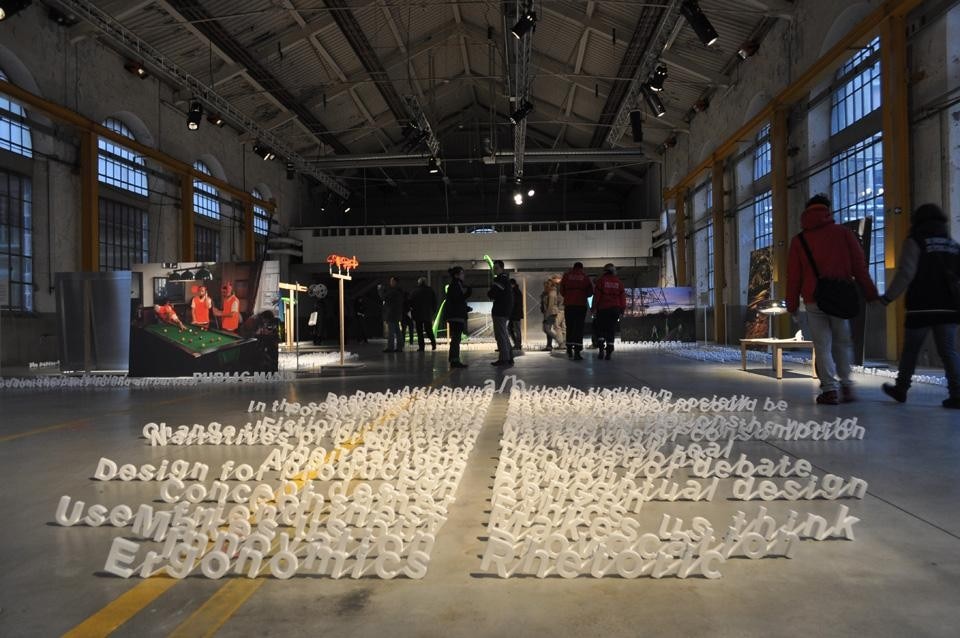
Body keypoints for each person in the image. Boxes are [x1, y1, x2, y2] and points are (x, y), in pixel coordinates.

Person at [786, 194, 880, 404]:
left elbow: (793, 276)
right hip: (839, 297)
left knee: (822, 346)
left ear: (806, 212)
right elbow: (859, 266)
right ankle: (846, 385)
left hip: (814, 299)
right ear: (828, 210)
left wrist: (791, 305)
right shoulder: (843, 234)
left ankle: (829, 390)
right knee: (842, 342)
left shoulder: (799, 240)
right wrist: (871, 293)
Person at [878, 204, 960, 409]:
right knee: (949, 352)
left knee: (911, 351)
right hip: (948, 307)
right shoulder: (953, 245)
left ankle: (901, 389)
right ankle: (957, 393)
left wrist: (888, 298)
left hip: (920, 307)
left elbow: (906, 273)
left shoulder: (915, 241)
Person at [560, 261, 593, 360]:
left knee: (569, 327)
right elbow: (590, 292)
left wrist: (568, 296)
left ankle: (569, 349)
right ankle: (577, 352)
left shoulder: (566, 276)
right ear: (581, 268)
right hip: (580, 305)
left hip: (569, 305)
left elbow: (562, 290)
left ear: (573, 267)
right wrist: (582, 295)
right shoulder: (585, 277)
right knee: (579, 328)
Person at [592, 263, 626, 359]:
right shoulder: (619, 282)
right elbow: (622, 298)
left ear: (605, 271)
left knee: (601, 330)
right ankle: (609, 352)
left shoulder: (601, 281)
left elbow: (597, 296)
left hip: (603, 309)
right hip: (615, 310)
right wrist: (622, 309)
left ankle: (601, 350)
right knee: (611, 330)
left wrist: (594, 308)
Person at [488, 260, 514, 366]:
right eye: (494, 268)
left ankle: (504, 359)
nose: (494, 270)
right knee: (504, 334)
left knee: (500, 335)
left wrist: (490, 292)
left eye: (496, 268)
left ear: (502, 268)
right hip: (504, 311)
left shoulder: (501, 280)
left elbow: (493, 293)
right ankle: (509, 357)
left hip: (500, 311)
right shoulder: (504, 279)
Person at [443, 266, 471, 368]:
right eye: (462, 273)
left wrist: (465, 307)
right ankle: (454, 360)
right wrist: (468, 294)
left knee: (456, 338)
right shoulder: (455, 285)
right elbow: (458, 300)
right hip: (456, 316)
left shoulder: (456, 285)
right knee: (456, 339)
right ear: (456, 275)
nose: (464, 275)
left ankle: (454, 359)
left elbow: (457, 300)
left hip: (455, 315)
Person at [409, 277, 438, 351]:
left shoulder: (415, 291)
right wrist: (433, 312)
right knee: (429, 330)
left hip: (417, 314)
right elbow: (434, 302)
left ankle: (421, 347)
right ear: (425, 282)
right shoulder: (430, 290)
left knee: (419, 332)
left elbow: (410, 302)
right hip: (428, 314)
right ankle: (433, 344)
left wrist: (412, 312)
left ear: (419, 283)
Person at [379, 276, 405, 352]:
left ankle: (390, 347)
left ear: (394, 282)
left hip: (391, 314)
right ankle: (400, 347)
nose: (390, 282)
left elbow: (384, 297)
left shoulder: (393, 291)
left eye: (391, 281)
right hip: (397, 313)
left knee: (391, 332)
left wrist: (380, 290)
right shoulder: (399, 291)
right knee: (397, 331)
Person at [541, 278, 562, 351]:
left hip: (551, 313)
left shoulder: (552, 293)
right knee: (547, 329)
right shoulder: (548, 292)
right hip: (549, 312)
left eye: (546, 285)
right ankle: (549, 345)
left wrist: (546, 316)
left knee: (546, 329)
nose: (545, 286)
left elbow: (550, 306)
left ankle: (559, 340)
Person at [508, 278, 524, 351]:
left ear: (512, 284)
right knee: (512, 329)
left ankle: (518, 344)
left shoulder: (515, 292)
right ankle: (517, 344)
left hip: (515, 314)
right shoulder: (515, 291)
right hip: (515, 314)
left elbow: (514, 303)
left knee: (516, 329)